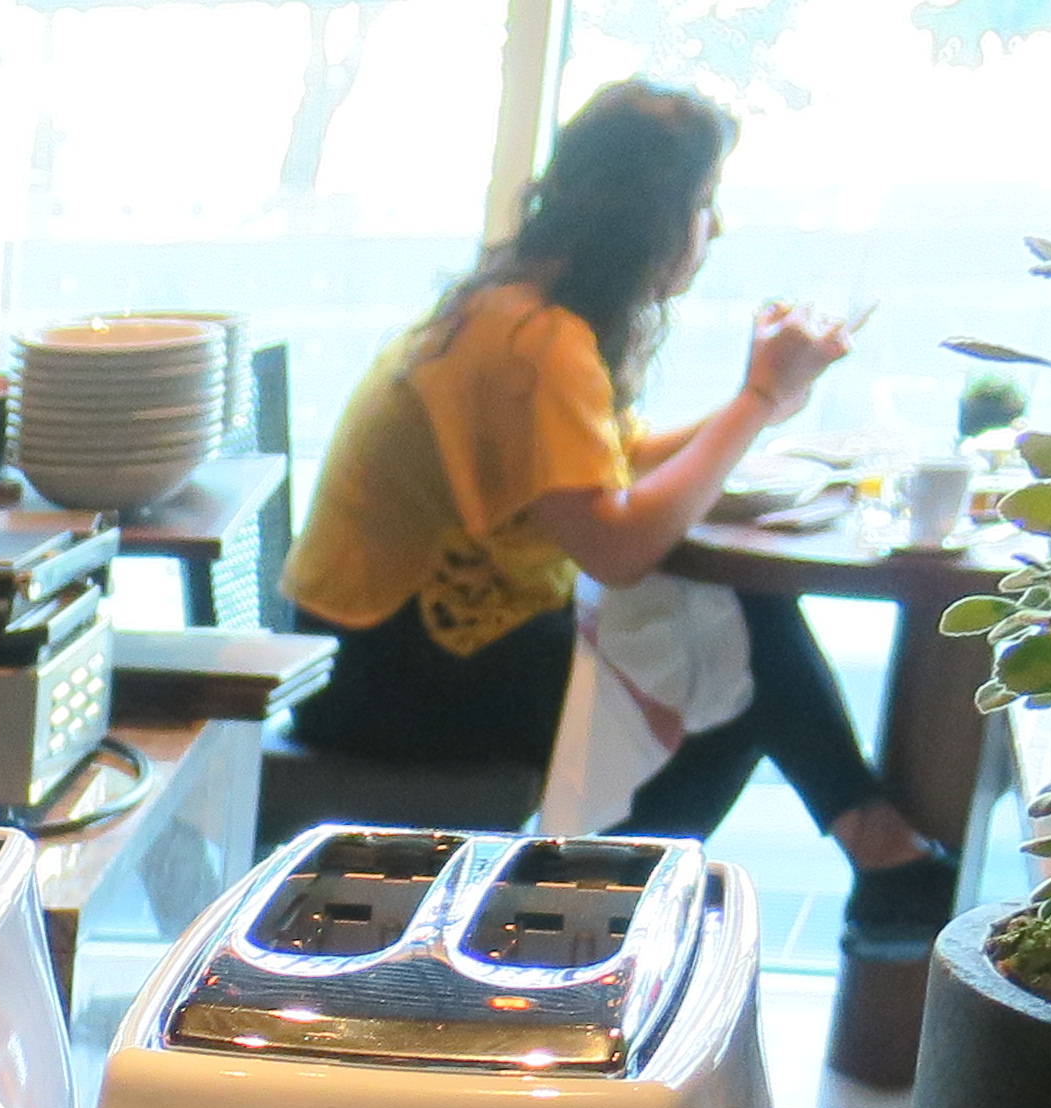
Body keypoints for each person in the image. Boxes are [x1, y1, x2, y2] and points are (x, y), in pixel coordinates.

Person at [282, 80, 955, 948]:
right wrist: (756, 400)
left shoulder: (510, 312)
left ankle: (847, 859)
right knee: (734, 655)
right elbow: (618, 546)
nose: (716, 226)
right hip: (394, 683)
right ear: (650, 217)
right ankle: (579, 911)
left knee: (728, 631)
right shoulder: (536, 342)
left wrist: (764, 412)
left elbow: (608, 458)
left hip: (376, 653)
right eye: (705, 203)